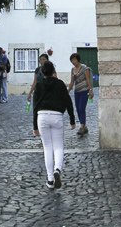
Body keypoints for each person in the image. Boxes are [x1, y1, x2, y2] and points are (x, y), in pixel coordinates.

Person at [32, 60, 75, 190]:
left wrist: (34, 126)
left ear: (42, 72)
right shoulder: (60, 84)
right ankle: (57, 169)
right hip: (57, 116)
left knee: (47, 148)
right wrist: (72, 119)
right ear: (54, 71)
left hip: (42, 116)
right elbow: (68, 102)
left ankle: (50, 179)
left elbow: (35, 106)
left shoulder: (38, 85)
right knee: (58, 146)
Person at [67, 53, 94, 136]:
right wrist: (67, 91)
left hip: (84, 90)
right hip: (77, 91)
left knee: (82, 108)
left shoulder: (84, 68)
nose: (73, 61)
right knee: (78, 109)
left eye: (74, 59)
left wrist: (90, 90)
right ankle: (84, 127)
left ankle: (82, 126)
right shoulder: (72, 69)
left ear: (78, 59)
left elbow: (88, 79)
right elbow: (72, 82)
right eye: (71, 60)